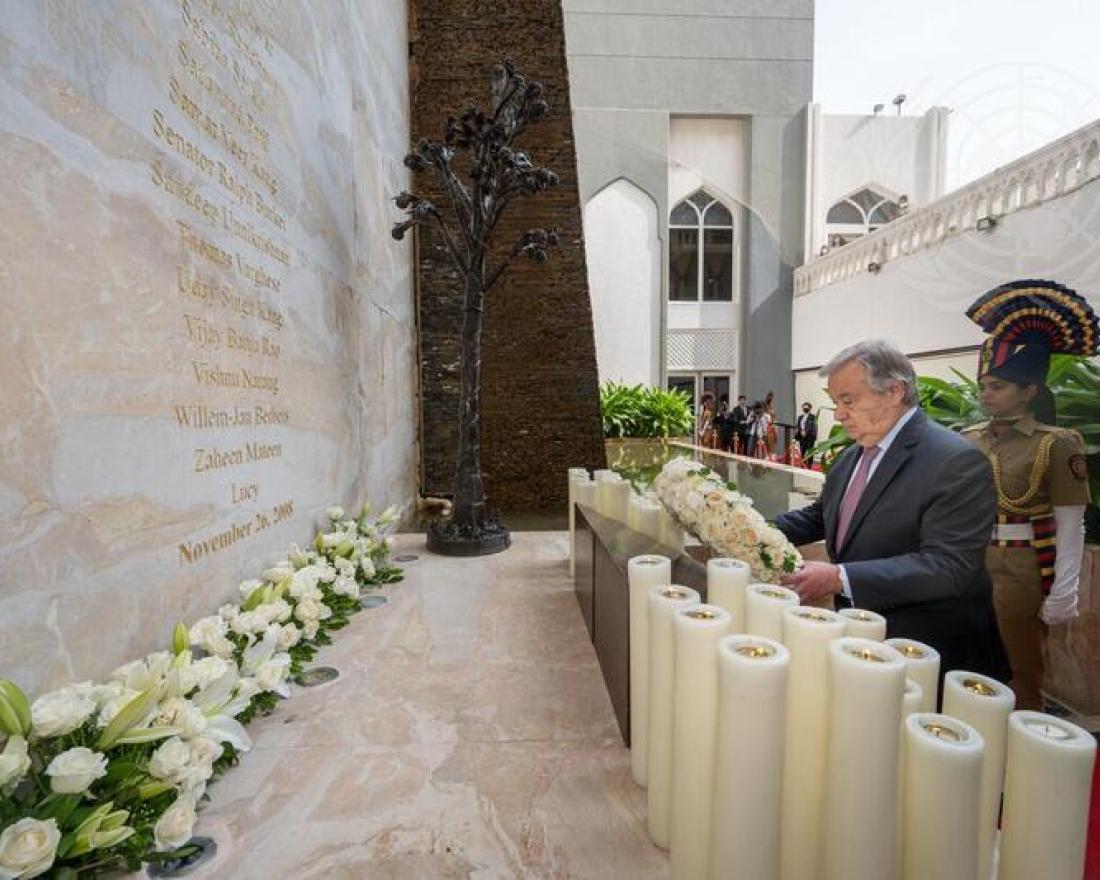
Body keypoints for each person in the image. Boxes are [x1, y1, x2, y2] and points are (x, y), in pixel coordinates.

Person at [775, 340, 1010, 681]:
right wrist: (744, 525)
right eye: (836, 402)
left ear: (894, 392)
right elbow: (819, 517)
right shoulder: (853, 455)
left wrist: (839, 577)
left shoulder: (956, 461)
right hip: (866, 642)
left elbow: (949, 566)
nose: (839, 414)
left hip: (929, 653)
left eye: (848, 400)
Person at [961, 279, 1097, 709]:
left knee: (1021, 669)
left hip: (1022, 568)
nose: (986, 394)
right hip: (968, 561)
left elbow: (1071, 522)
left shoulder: (1057, 443)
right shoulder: (968, 439)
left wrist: (1064, 591)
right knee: (970, 660)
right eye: (984, 385)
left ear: (1029, 391)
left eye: (998, 386)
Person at [795, 402, 818, 467]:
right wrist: (799, 433)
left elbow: (814, 426)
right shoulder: (800, 417)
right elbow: (798, 426)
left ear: (810, 408)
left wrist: (806, 432)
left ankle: (809, 465)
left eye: (807, 407)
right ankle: (803, 464)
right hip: (801, 436)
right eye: (804, 407)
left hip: (810, 436)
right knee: (803, 451)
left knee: (810, 452)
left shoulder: (813, 417)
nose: (805, 408)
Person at [763, 390, 778, 456]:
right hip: (766, 426)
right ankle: (766, 454)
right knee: (767, 441)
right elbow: (764, 416)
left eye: (772, 397)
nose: (771, 399)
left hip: (772, 426)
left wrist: (775, 425)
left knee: (773, 440)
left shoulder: (772, 407)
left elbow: (774, 416)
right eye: (770, 397)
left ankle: (771, 454)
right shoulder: (764, 406)